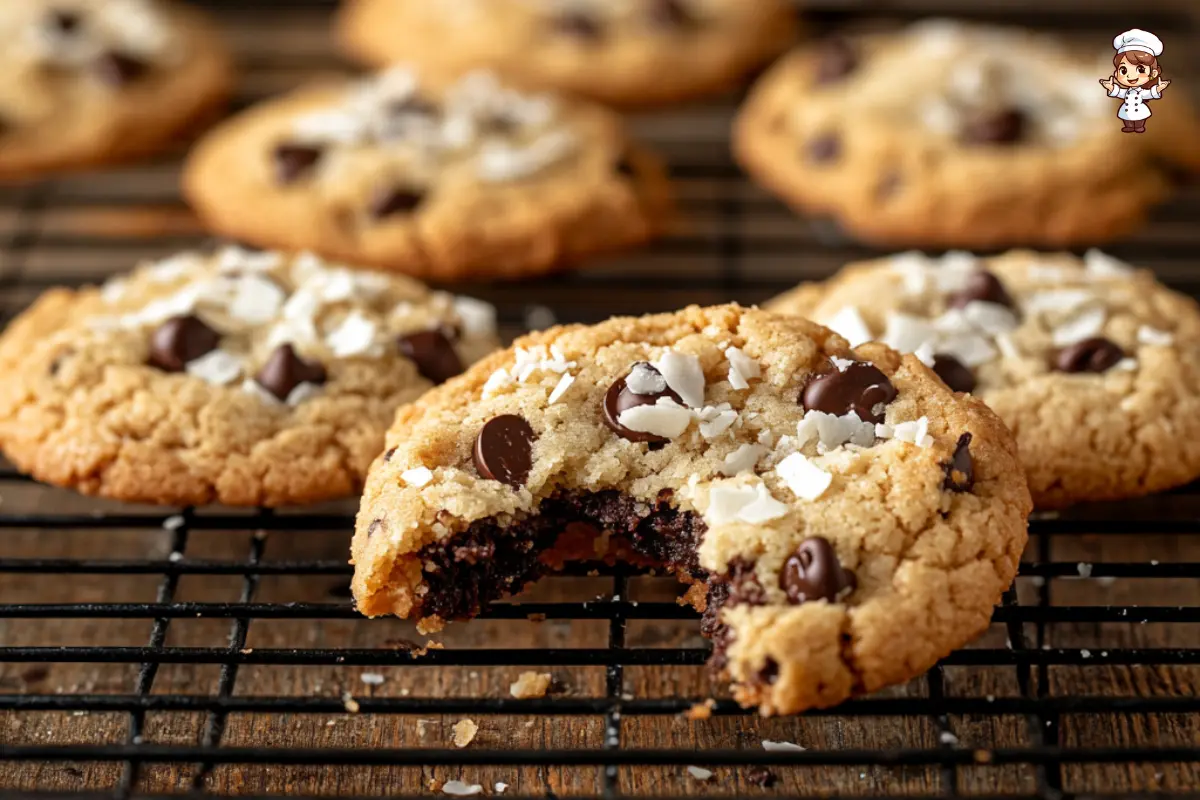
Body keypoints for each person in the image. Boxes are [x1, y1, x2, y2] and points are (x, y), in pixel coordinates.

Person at [1100, 29, 1171, 133]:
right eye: (1123, 70)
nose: (1131, 75)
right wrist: (1111, 88)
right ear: (1116, 73)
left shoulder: (1143, 93)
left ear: (1153, 73)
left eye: (1140, 69)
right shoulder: (1125, 92)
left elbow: (1150, 93)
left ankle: (1138, 126)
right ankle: (1129, 126)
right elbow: (1119, 92)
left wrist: (1158, 89)